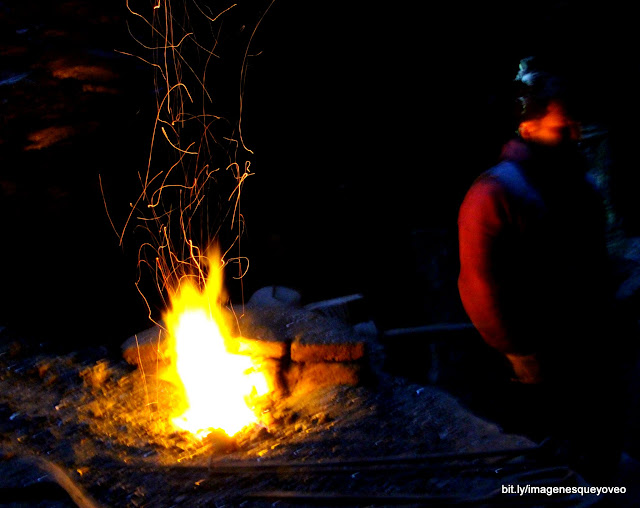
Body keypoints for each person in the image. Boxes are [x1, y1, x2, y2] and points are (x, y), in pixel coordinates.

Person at [457, 56, 632, 482]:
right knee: (551, 459)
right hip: (538, 355)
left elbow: (593, 257)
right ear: (528, 127)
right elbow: (480, 285)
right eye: (561, 128)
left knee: (598, 448)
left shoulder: (579, 186)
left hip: (590, 344)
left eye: (575, 126)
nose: (573, 136)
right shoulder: (496, 192)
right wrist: (517, 351)